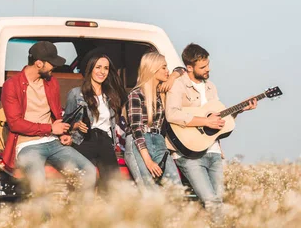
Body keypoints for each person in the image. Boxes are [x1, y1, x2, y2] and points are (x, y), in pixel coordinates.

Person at [165, 43, 257, 223]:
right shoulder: (179, 85)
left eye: (208, 64)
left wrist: (240, 110)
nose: (208, 69)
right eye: (203, 67)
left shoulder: (211, 87)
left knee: (218, 201)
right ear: (189, 68)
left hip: (213, 151)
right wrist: (205, 121)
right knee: (211, 200)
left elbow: (218, 121)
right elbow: (172, 114)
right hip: (189, 154)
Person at [1, 41, 97, 198]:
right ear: (39, 63)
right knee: (39, 183)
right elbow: (15, 123)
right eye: (52, 63)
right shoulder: (12, 85)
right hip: (26, 145)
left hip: (52, 141)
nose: (55, 67)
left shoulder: (51, 82)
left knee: (89, 170)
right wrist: (51, 129)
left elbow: (56, 114)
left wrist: (62, 133)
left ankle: (80, 217)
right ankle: (45, 221)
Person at [64, 52, 127, 192]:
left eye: (106, 68)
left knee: (112, 186)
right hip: (83, 140)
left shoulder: (111, 95)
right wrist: (76, 125)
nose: (102, 71)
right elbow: (65, 124)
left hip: (105, 140)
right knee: (83, 185)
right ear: (90, 68)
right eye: (98, 67)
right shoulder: (75, 93)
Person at [124, 51, 184, 189]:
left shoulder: (160, 93)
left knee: (177, 189)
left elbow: (182, 70)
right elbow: (136, 129)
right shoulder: (136, 94)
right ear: (152, 68)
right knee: (150, 190)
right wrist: (148, 161)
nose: (167, 71)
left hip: (158, 140)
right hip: (139, 143)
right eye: (163, 67)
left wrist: (172, 77)